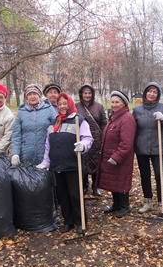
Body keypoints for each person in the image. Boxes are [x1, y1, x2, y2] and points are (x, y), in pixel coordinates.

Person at [38, 93, 94, 234]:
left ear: (70, 104)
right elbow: (48, 145)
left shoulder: (79, 120)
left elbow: (88, 138)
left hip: (73, 164)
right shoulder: (54, 123)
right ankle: (68, 221)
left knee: (75, 194)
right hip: (57, 165)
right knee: (63, 195)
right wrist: (46, 162)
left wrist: (83, 145)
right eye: (60, 104)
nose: (62, 106)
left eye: (65, 103)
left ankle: (80, 222)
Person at [132, 82, 163, 218]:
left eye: (155, 92)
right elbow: (132, 128)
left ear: (158, 95)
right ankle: (148, 202)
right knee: (145, 175)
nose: (152, 94)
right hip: (142, 148)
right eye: (149, 91)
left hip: (158, 148)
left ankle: (162, 204)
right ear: (145, 93)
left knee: (159, 175)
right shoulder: (137, 110)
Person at [97, 90, 137, 218]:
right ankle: (116, 204)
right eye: (112, 102)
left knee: (122, 180)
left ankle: (125, 206)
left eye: (117, 102)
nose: (114, 104)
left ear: (123, 103)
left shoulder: (127, 118)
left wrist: (117, 156)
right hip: (110, 155)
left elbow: (127, 142)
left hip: (121, 158)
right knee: (114, 181)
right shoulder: (114, 117)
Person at [11, 84, 57, 165]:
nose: (32, 96)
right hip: (25, 154)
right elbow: (16, 135)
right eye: (29, 94)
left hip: (45, 154)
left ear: (39, 95)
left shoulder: (49, 109)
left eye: (35, 94)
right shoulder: (22, 112)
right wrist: (15, 153)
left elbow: (57, 129)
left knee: (45, 177)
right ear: (26, 97)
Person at [75, 84, 107, 197]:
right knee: (83, 162)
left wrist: (103, 137)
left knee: (96, 163)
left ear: (92, 94)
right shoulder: (76, 107)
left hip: (96, 140)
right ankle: (84, 185)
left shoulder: (99, 107)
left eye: (89, 93)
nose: (87, 95)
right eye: (85, 93)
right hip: (82, 139)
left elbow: (104, 123)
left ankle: (96, 186)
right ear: (81, 94)